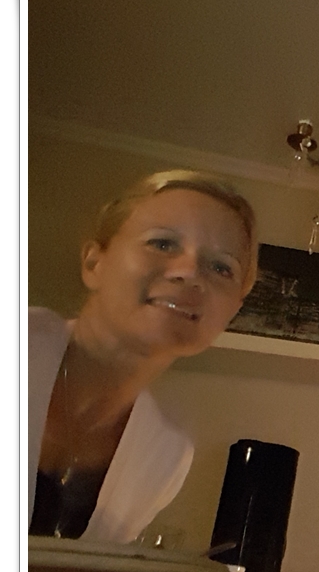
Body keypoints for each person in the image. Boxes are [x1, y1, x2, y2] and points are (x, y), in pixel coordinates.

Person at [28, 170, 258, 544]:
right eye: (162, 243)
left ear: (232, 310)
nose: (190, 273)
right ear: (94, 263)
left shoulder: (166, 455)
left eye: (221, 267)